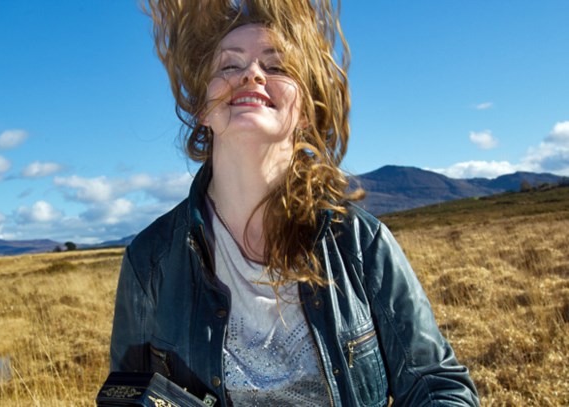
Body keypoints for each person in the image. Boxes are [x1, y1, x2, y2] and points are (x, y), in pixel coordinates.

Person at [109, 0, 480, 405]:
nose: (252, 74)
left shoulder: (360, 242)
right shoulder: (150, 261)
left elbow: (438, 385)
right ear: (202, 109)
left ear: (305, 111)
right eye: (229, 65)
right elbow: (126, 396)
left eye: (276, 66)